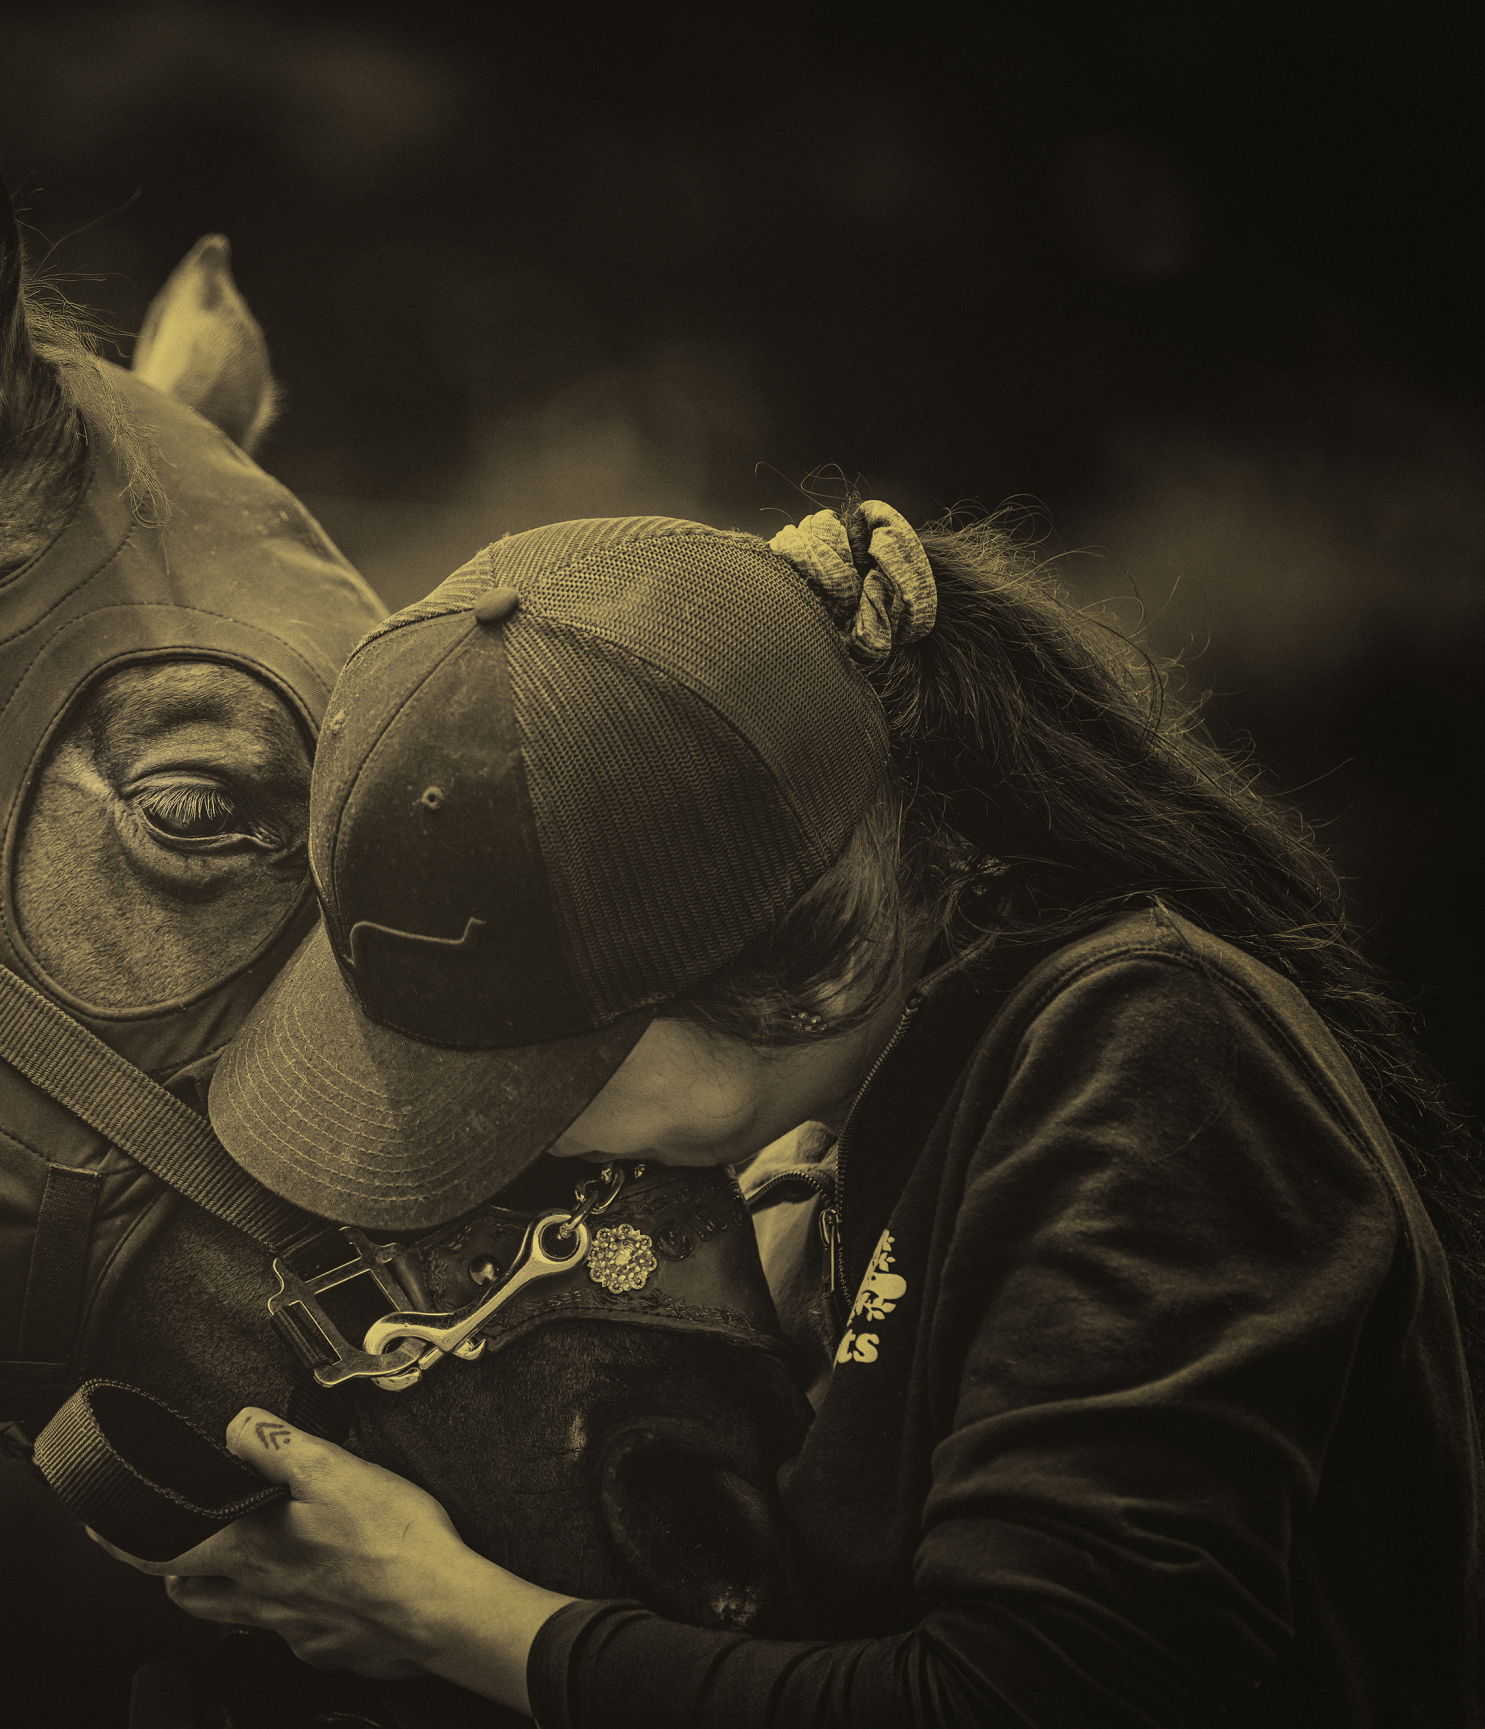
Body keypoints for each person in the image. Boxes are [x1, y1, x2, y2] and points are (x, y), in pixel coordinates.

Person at [109, 506, 1482, 1725]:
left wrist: (456, 1618)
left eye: (533, 1081)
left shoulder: (1156, 1052)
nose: (521, 1142)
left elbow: (1035, 1692)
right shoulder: (867, 1111)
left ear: (801, 975)